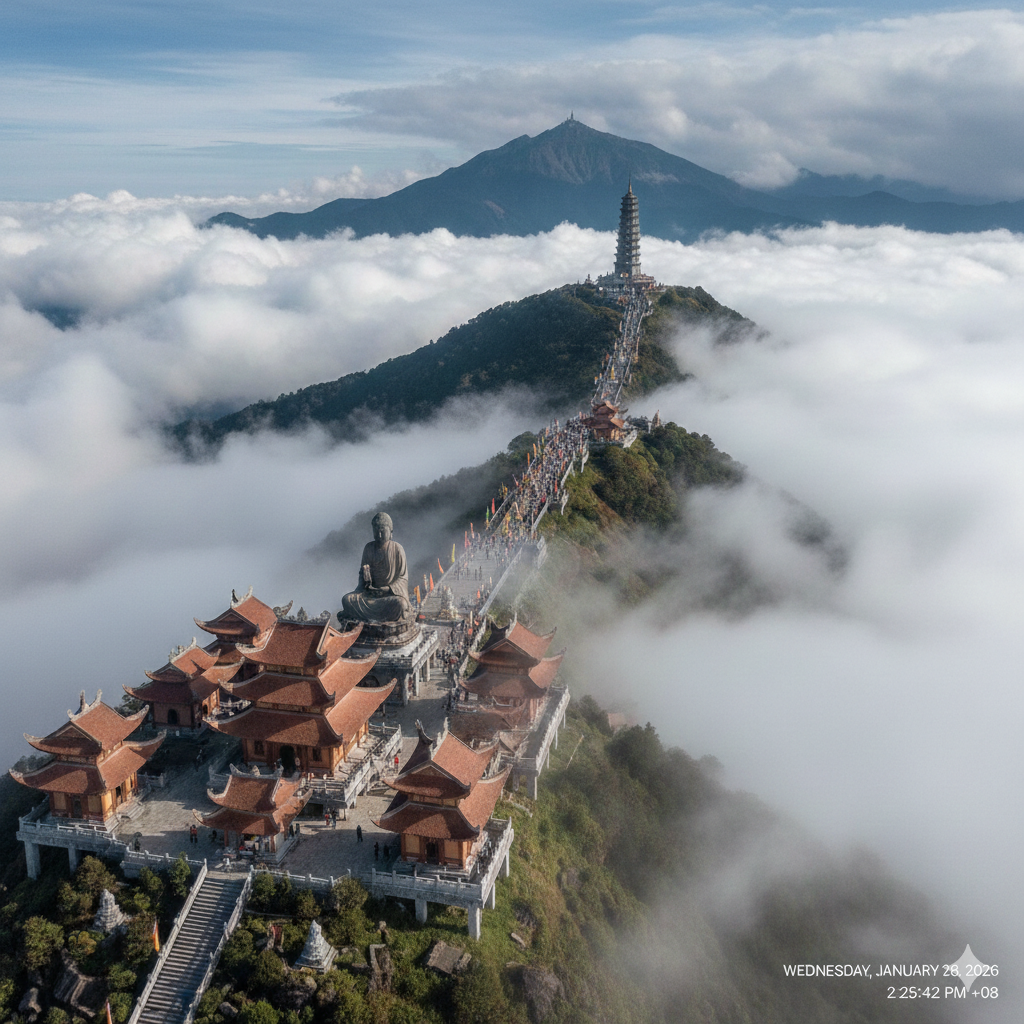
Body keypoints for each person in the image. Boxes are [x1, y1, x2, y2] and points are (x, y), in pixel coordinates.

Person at [340, 512, 413, 623]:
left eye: (382, 531)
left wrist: (387, 589)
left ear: (390, 531)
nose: (379, 535)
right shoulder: (368, 548)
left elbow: (403, 578)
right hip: (371, 595)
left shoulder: (397, 548)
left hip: (389, 595)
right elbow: (362, 575)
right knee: (347, 600)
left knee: (401, 604)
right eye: (376, 531)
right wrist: (365, 583)